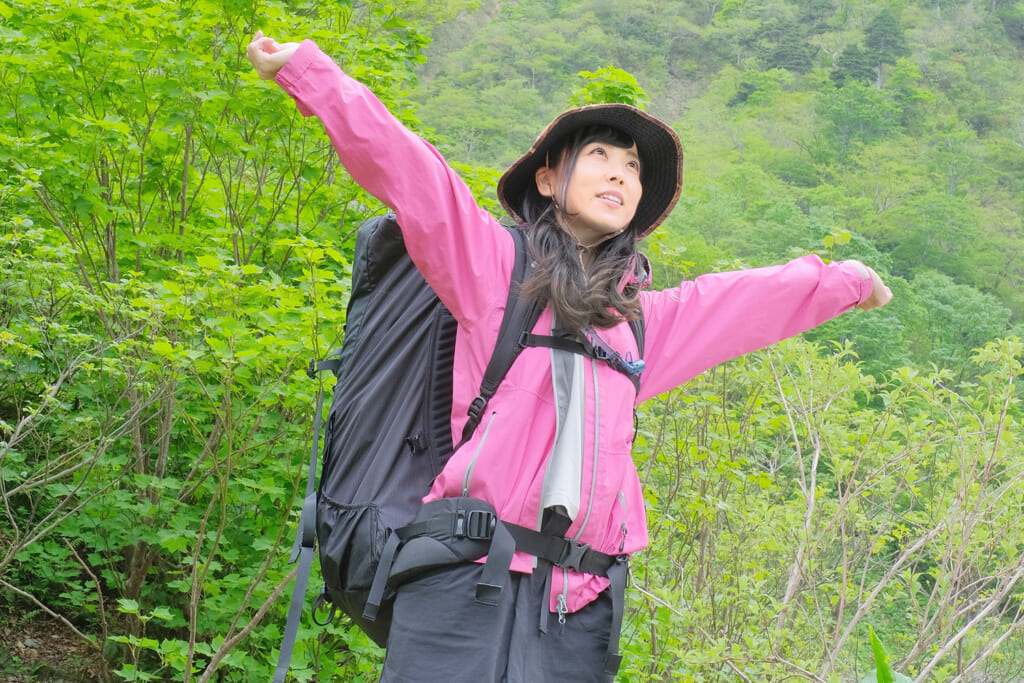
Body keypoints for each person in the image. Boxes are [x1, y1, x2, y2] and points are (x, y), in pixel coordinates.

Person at [246, 31, 892, 683]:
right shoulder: (495, 269)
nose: (620, 172)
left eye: (634, 168)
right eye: (601, 156)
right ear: (549, 176)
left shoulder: (641, 326)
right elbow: (412, 173)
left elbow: (743, 300)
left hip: (579, 614)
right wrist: (309, 74)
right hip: (459, 587)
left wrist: (850, 281)